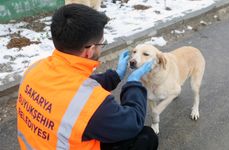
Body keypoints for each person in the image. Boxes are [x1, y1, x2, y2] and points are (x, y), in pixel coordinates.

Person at [16, 4, 158, 150]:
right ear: (90, 50)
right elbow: (132, 122)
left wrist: (114, 76)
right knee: (146, 137)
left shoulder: (34, 68)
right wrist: (133, 84)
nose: (102, 46)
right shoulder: (94, 107)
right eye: (102, 43)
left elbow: (71, 90)